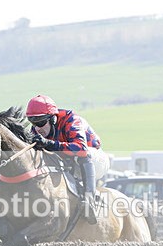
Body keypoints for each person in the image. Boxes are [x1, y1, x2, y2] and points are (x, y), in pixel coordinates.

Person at [25, 94, 109, 224]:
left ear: (53, 119)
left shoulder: (71, 119)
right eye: (33, 122)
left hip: (95, 158)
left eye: (40, 122)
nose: (37, 128)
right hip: (69, 161)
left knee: (82, 155)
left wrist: (50, 144)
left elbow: (81, 149)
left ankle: (90, 200)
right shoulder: (36, 130)